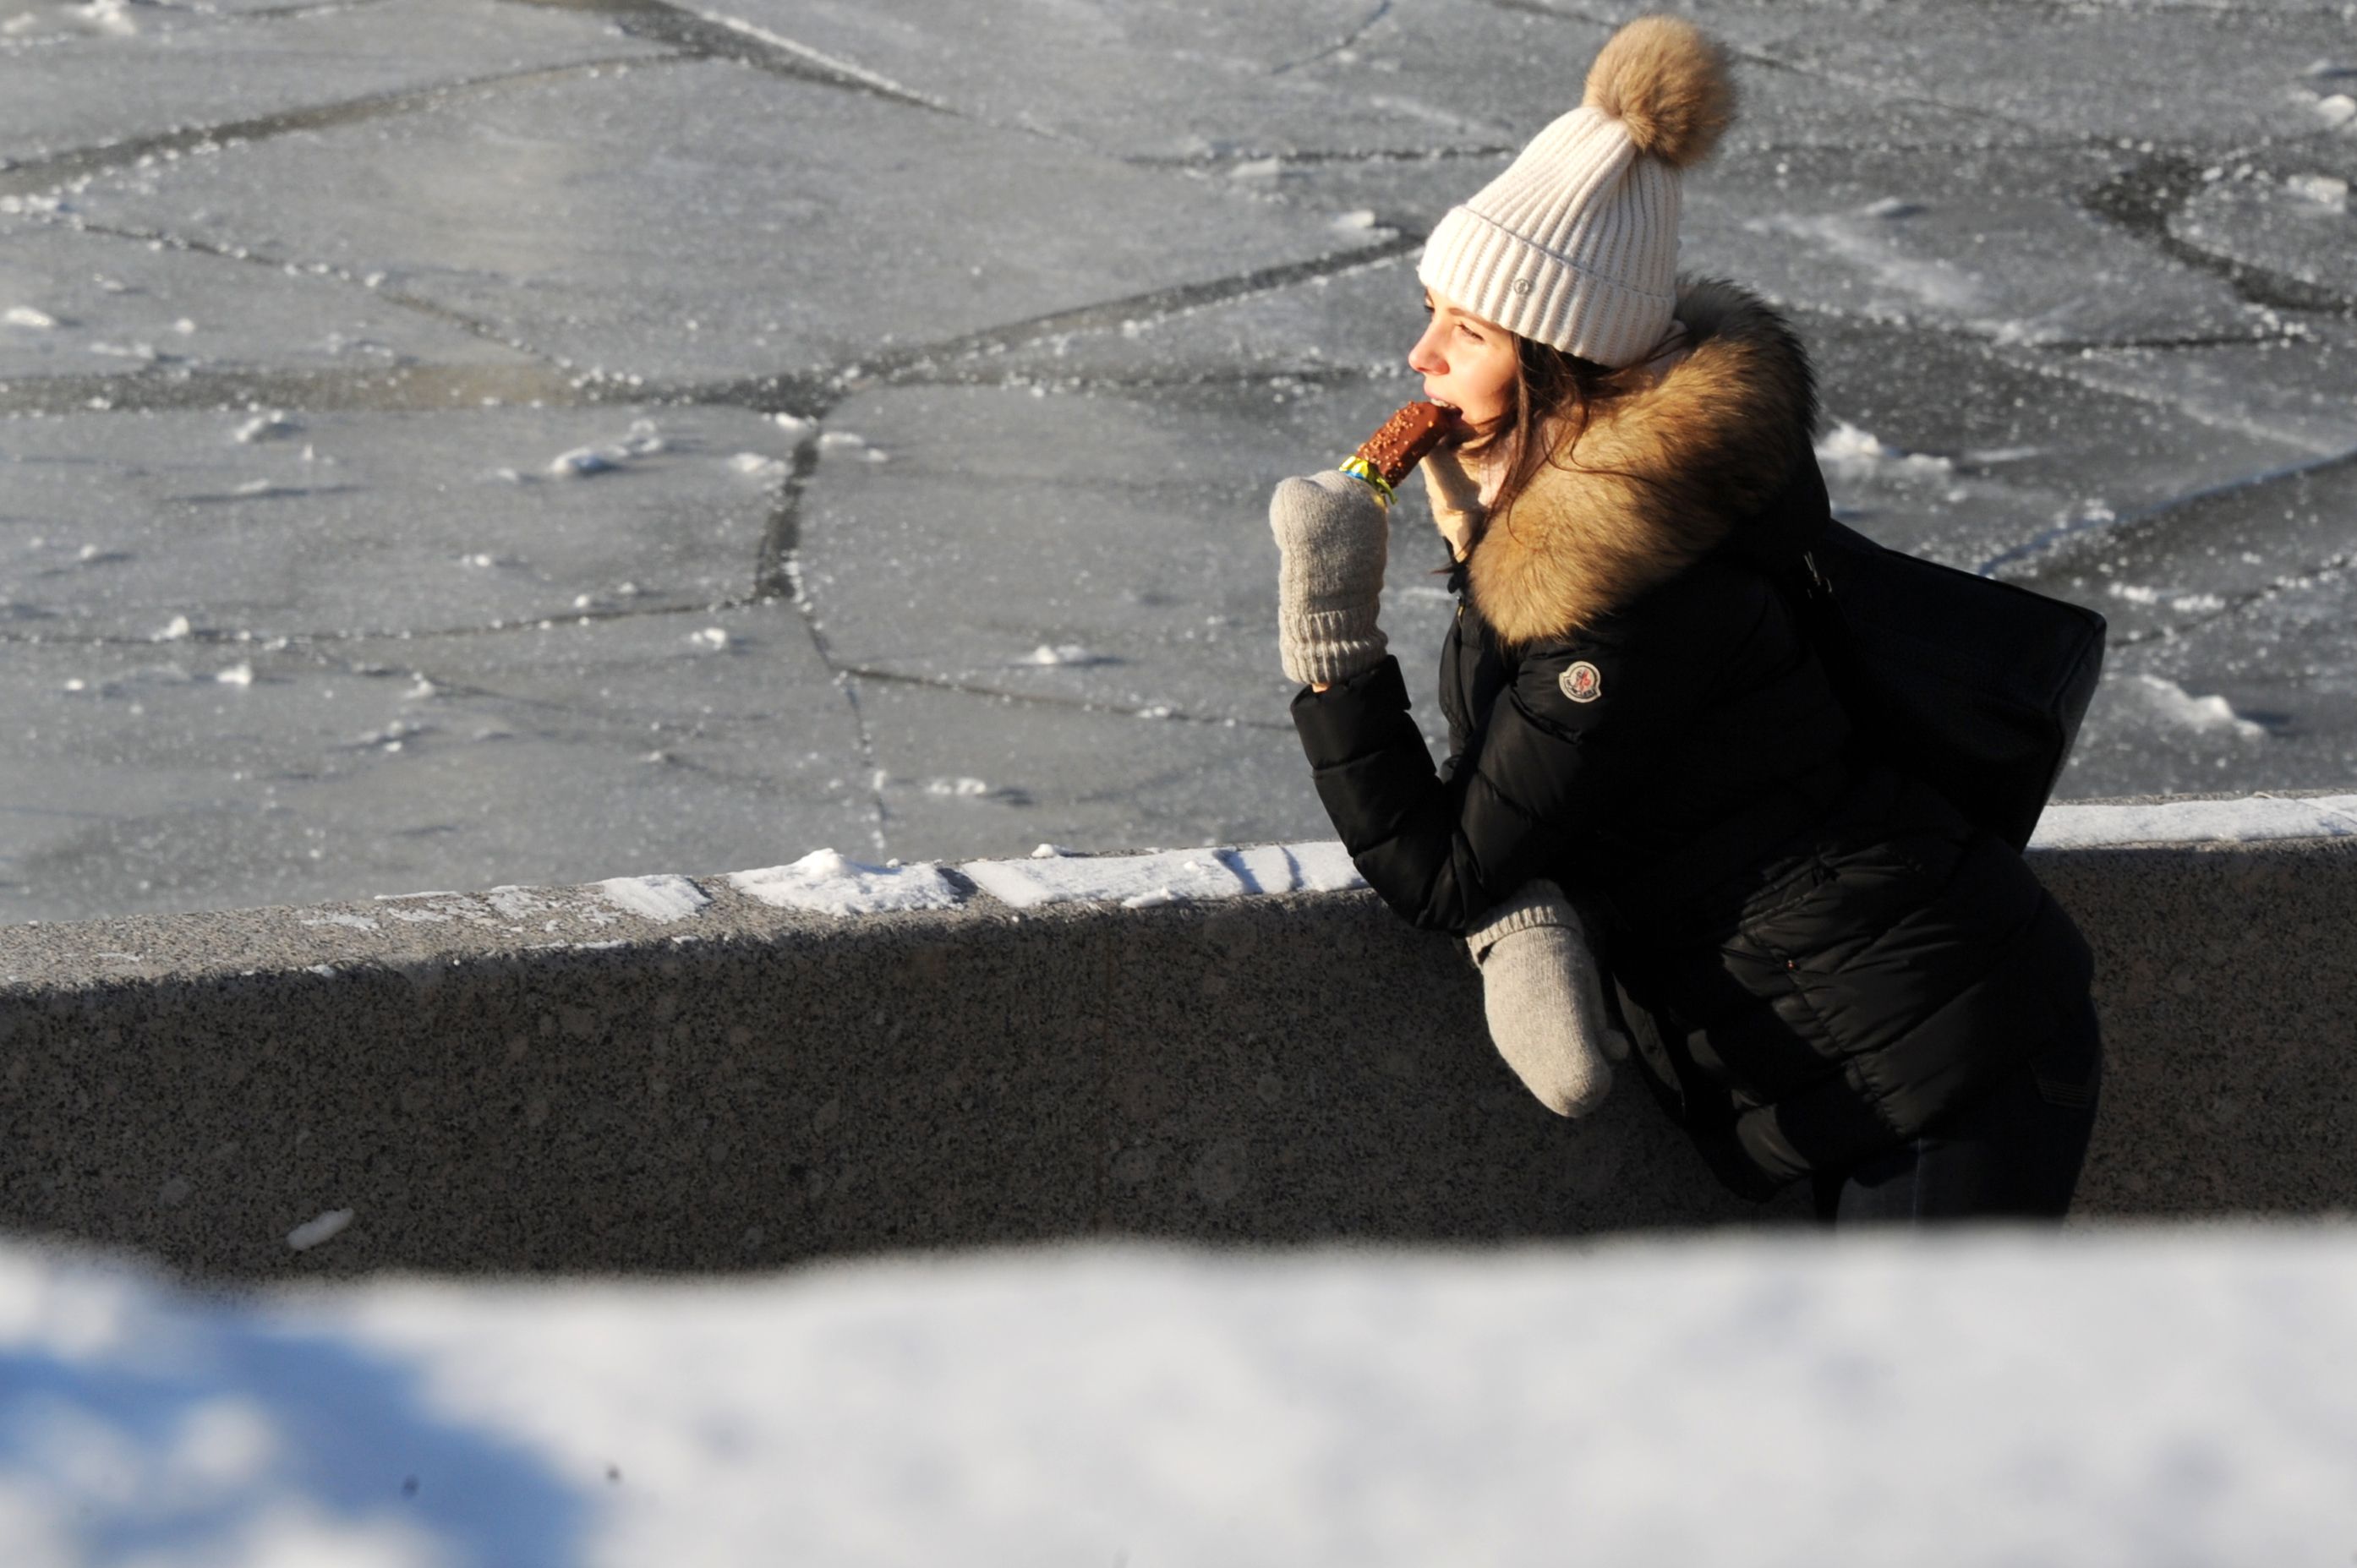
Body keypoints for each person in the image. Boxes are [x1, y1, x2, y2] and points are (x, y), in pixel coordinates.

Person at [1266, 15, 2103, 1222]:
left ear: (1564, 365)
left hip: (1940, 1060)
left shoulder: (1632, 595)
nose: (1422, 355)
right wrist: (1481, 555)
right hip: (1864, 1054)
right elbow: (1531, 783)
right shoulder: (1618, 520)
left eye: (1470, 330)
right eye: (1431, 311)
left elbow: (1448, 865)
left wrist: (1332, 637)